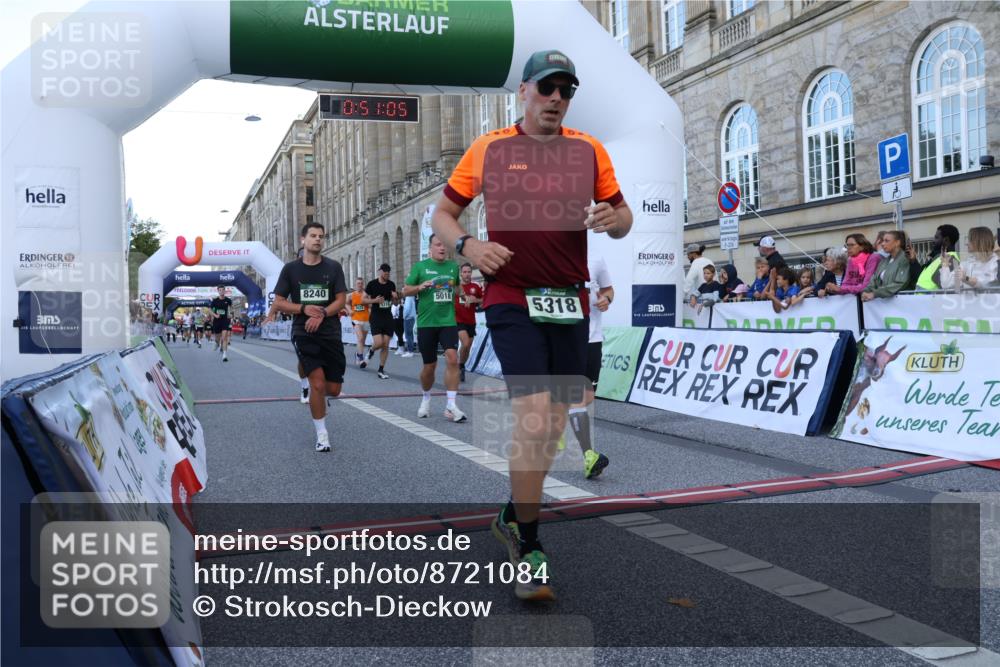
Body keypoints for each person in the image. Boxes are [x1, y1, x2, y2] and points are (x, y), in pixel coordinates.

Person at [430, 48, 633, 601]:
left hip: (569, 302)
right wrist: (469, 247)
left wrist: (613, 218)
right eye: (547, 88)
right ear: (523, 91)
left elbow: (623, 217)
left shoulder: (588, 150)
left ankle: (513, 514)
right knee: (537, 417)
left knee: (553, 427)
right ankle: (530, 541)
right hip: (511, 297)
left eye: (566, 90)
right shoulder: (491, 148)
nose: (556, 99)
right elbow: (442, 214)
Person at [271, 222, 347, 452]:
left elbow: (341, 300)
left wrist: (322, 313)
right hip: (303, 332)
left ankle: (318, 399)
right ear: (303, 240)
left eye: (321, 236)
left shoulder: (333, 267)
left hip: (330, 332)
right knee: (317, 384)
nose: (318, 239)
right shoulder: (290, 269)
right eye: (313, 236)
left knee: (333, 389)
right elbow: (279, 302)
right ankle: (322, 435)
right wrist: (304, 309)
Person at [403, 235, 466, 423]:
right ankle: (426, 398)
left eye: (444, 245)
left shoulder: (453, 267)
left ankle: (451, 405)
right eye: (438, 245)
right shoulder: (420, 267)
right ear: (430, 248)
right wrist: (420, 287)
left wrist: (462, 292)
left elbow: (457, 289)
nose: (442, 248)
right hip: (427, 323)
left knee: (453, 358)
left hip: (448, 321)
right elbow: (405, 290)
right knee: (429, 366)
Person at [564, 254, 612, 479]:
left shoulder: (596, 259)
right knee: (577, 397)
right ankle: (589, 455)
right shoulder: (554, 256)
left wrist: (607, 299)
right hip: (567, 337)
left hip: (593, 337)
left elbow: (608, 289)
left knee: (588, 396)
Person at [365, 264, 398, 379]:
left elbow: (395, 303)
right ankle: (371, 350)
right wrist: (375, 300)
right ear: (380, 272)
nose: (387, 275)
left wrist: (395, 297)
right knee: (379, 343)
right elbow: (363, 300)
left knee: (386, 345)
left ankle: (381, 369)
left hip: (388, 317)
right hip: (376, 317)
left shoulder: (391, 284)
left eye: (388, 273)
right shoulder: (372, 284)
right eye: (385, 273)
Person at [940, 226, 998, 290]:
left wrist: (966, 278)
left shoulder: (995, 262)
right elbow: (946, 284)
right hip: (968, 297)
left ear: (978, 242)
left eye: (970, 240)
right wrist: (945, 264)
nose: (966, 243)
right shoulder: (967, 262)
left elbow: (986, 284)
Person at [862, 230, 911, 301]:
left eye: (886, 241)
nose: (882, 244)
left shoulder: (904, 259)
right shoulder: (884, 261)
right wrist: (866, 291)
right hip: (883, 303)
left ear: (897, 243)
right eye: (882, 241)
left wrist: (875, 294)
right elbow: (874, 280)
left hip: (899, 303)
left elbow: (900, 283)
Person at [455, 262, 484, 382]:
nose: (467, 274)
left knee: (468, 347)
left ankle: (461, 366)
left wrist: (475, 299)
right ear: (461, 274)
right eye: (464, 272)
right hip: (458, 320)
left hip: (471, 321)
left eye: (469, 272)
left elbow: (483, 300)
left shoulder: (475, 286)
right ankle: (458, 365)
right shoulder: (456, 286)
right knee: (465, 343)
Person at [914, 224, 961, 291]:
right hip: (925, 296)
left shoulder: (951, 258)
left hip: (930, 297)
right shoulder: (941, 257)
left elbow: (946, 285)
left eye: (936, 237)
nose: (933, 241)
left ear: (946, 240)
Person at [349, 277, 371, 368]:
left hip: (365, 319)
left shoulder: (366, 295)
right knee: (360, 338)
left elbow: (370, 305)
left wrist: (369, 305)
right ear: (355, 285)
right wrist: (349, 310)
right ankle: (361, 359)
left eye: (361, 283)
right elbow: (345, 303)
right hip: (355, 319)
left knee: (363, 341)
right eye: (358, 283)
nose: (360, 285)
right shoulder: (351, 295)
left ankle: (358, 354)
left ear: (363, 284)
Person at [208, 285, 233, 362]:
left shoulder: (228, 300)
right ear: (218, 291)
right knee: (217, 338)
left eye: (223, 290)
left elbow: (231, 309)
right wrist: (215, 315)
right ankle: (217, 343)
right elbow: (210, 310)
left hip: (225, 320)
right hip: (217, 321)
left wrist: (230, 314)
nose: (222, 291)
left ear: (225, 291)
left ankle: (224, 355)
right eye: (220, 290)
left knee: (224, 337)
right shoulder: (215, 301)